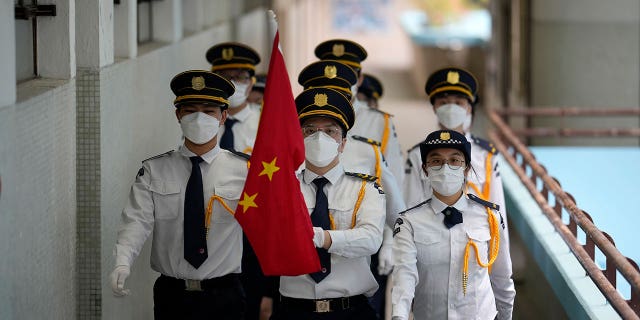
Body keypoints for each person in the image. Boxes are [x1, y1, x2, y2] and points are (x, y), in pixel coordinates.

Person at [109, 70, 249, 319]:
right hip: (172, 294)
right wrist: (122, 260)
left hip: (224, 293)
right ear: (178, 115)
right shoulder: (154, 170)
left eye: (208, 111)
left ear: (223, 116)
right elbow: (136, 221)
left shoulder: (244, 170)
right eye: (190, 110)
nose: (199, 118)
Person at [297, 60, 401, 319]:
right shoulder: (286, 160)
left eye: (337, 95)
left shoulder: (367, 149)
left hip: (354, 269)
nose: (319, 137)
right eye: (311, 130)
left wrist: (389, 243)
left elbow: (395, 210)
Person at [271, 87, 386, 320]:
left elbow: (371, 239)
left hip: (349, 310)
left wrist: (323, 238)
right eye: (310, 130)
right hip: (292, 310)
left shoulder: (365, 188)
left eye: (330, 131)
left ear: (343, 143)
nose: (319, 137)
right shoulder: (282, 188)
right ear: (299, 138)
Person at [391, 129, 515, 320]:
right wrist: (398, 316)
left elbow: (502, 278)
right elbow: (404, 276)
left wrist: (506, 316)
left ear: (466, 168)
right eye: (436, 161)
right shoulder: (409, 222)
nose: (445, 167)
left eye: (455, 160)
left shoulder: (490, 217)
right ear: (425, 169)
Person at [404, 67, 507, 220]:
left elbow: (498, 209)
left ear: (469, 108)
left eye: (458, 102)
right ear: (434, 108)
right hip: (429, 234)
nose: (451, 108)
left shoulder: (486, 154)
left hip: (475, 238)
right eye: (443, 102)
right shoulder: (417, 155)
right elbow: (409, 206)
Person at [314, 39, 405, 187]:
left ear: (360, 78)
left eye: (348, 73)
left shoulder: (379, 121)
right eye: (333, 72)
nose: (339, 78)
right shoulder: (301, 119)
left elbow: (394, 177)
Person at [206, 42, 261, 154]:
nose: (231, 83)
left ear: (251, 84)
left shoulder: (265, 125)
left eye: (240, 77)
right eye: (224, 77)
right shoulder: (202, 121)